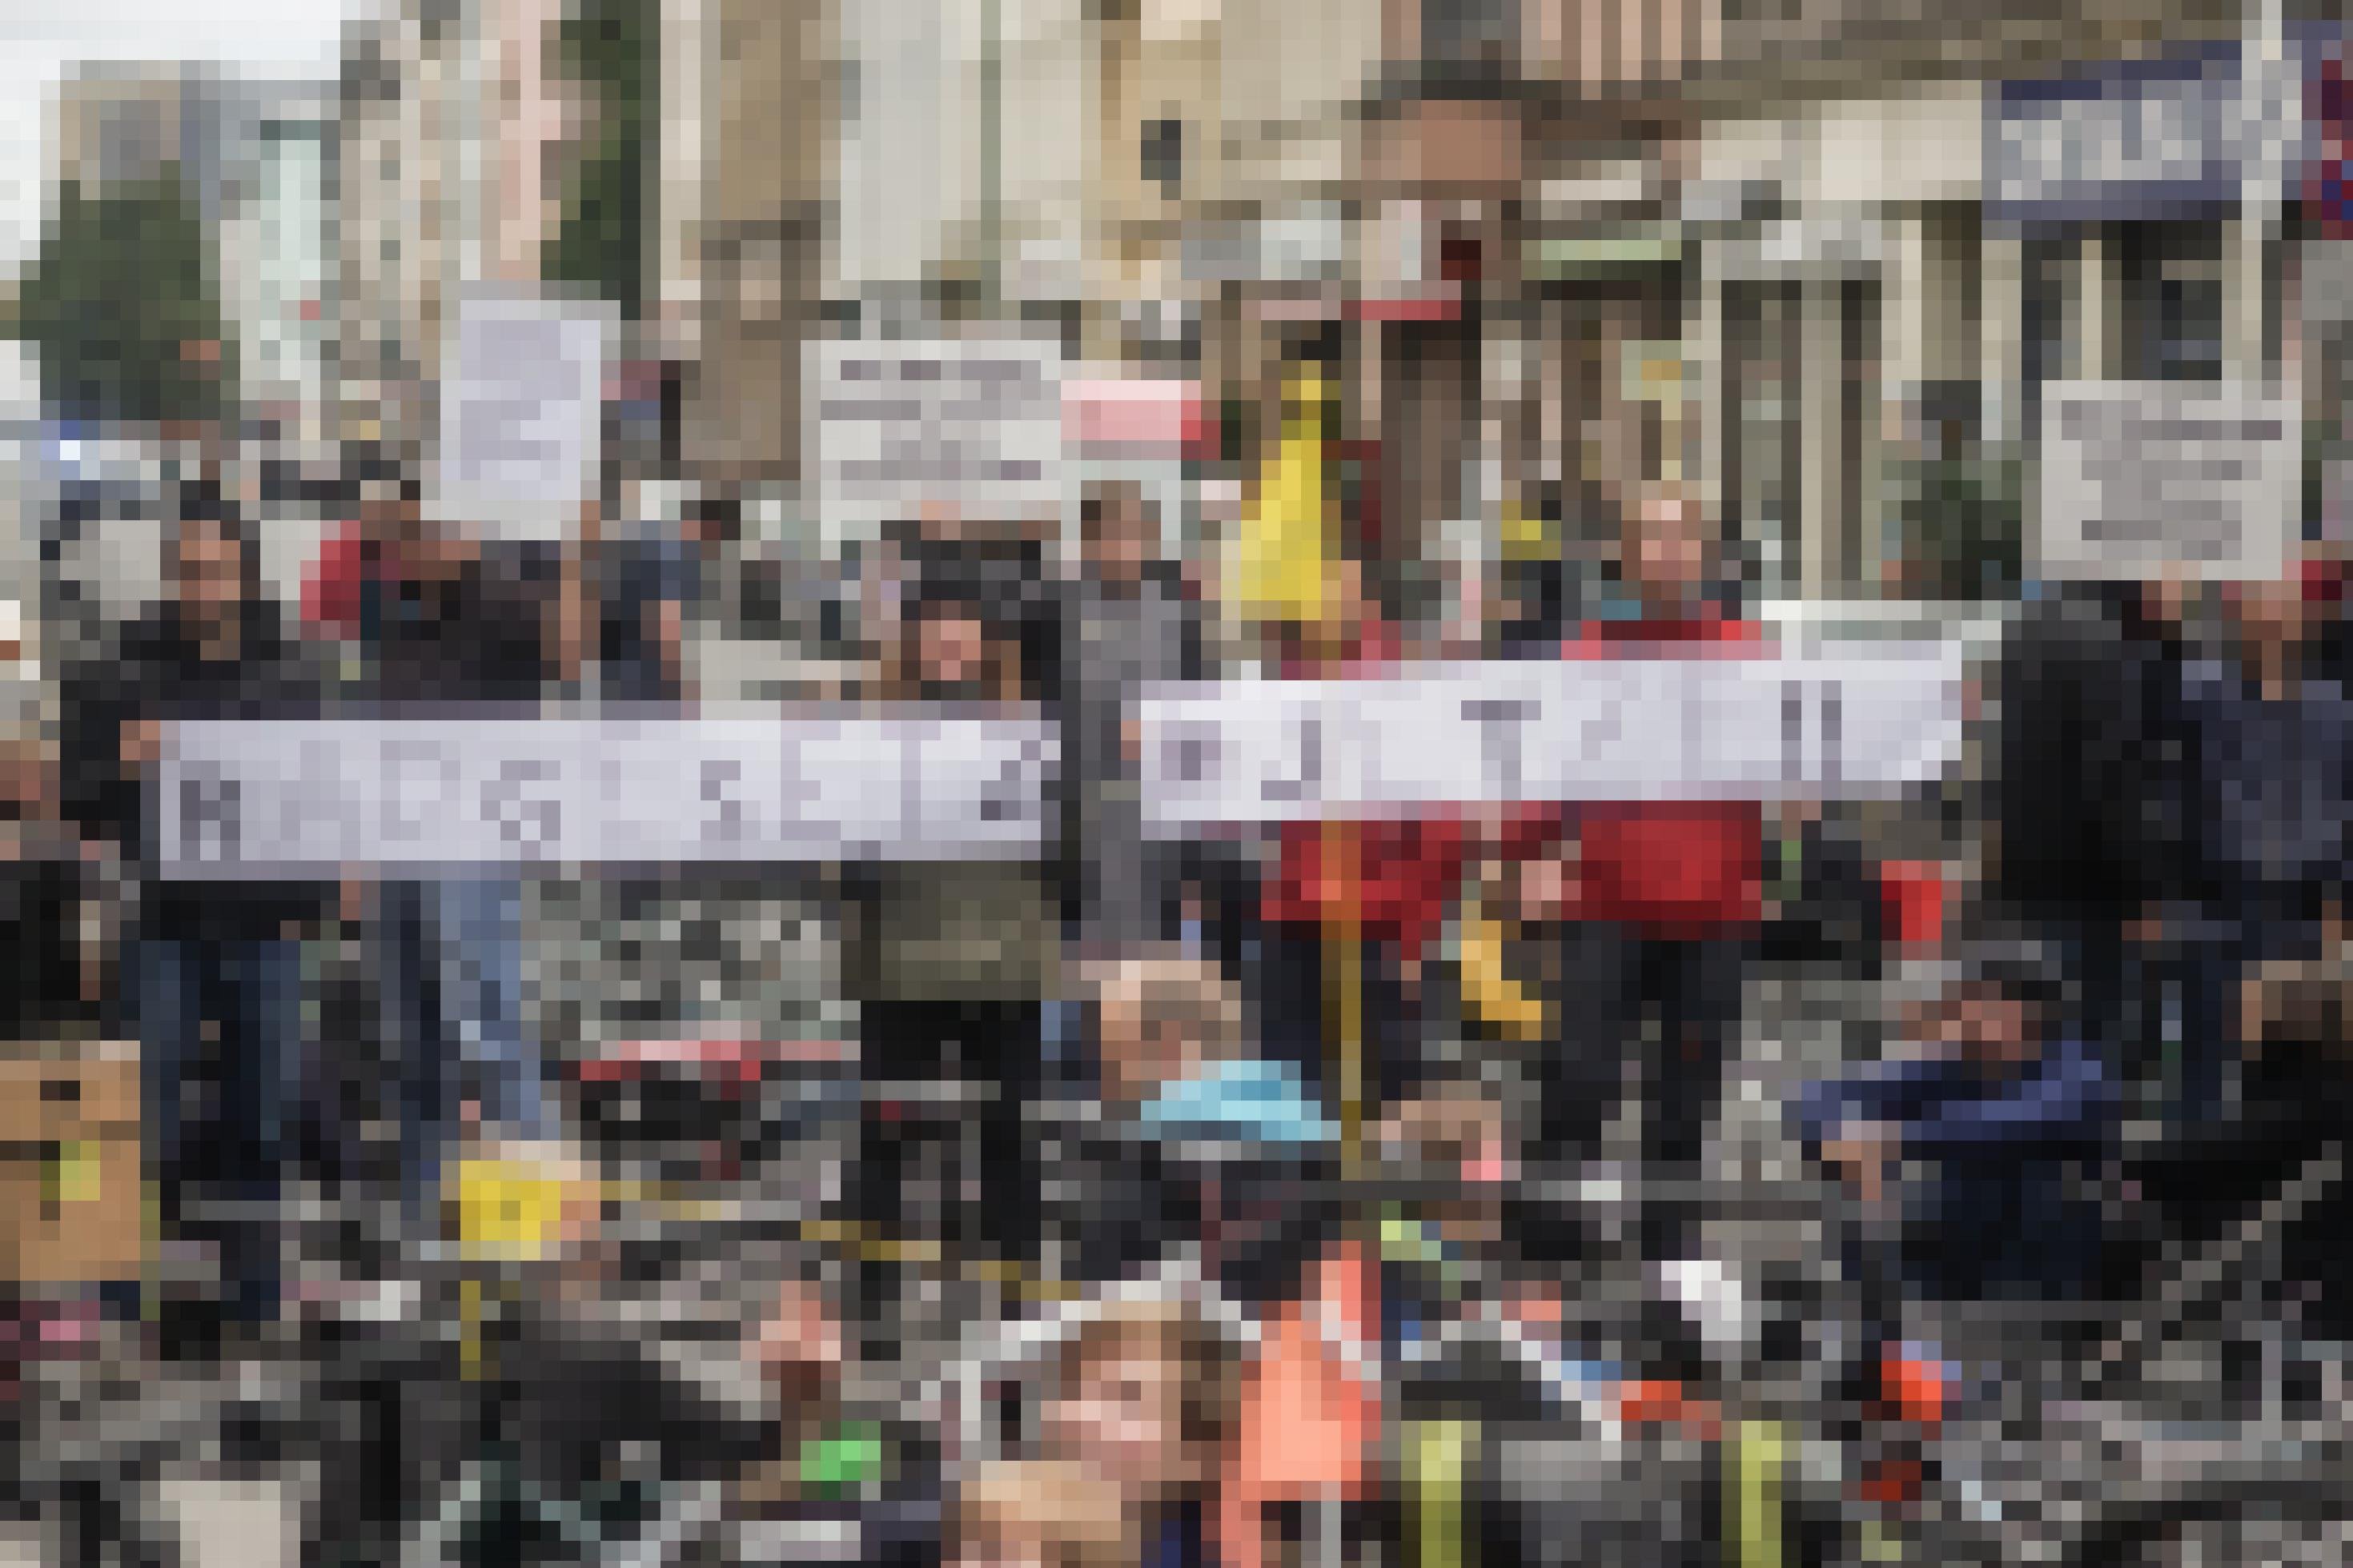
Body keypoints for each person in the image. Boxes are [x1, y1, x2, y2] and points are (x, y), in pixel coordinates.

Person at [61, 481, 329, 1351]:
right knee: (139, 1120)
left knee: (263, 1120)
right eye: (188, 571)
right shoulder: (122, 671)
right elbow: (79, 801)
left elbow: (327, 790)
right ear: (170, 575)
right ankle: (113, 1310)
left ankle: (256, 1308)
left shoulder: (291, 670)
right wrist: (122, 766)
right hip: (165, 928)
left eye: (216, 572)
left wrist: (328, 890)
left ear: (245, 576)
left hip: (267, 928)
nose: (201, 587)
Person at [1550, 481, 1763, 1263]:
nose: (1665, 553)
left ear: (1702, 553)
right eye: (1650, 537)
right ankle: (1558, 1244)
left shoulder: (1744, 652)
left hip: (1713, 908)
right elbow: (1552, 764)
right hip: (1606, 901)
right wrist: (1529, 853)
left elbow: (1791, 752)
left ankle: (1665, 1255)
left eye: (1679, 537)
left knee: (1686, 1095)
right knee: (1578, 1080)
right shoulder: (1587, 653)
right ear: (1626, 554)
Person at [355, 481, 564, 1214]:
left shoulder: (500, 604)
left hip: (470, 840)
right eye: (402, 532)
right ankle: (427, 1221)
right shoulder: (397, 614)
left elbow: (566, 653)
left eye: (420, 530)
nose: (407, 544)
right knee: (413, 1043)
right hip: (398, 843)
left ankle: (525, 1227)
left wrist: (580, 545)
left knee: (486, 1030)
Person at [846, 555, 1059, 1273]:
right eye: (933, 622)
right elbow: (849, 857)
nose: (948, 636)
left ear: (986, 638)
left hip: (1005, 968)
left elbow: (1062, 843)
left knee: (1009, 1144)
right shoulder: (873, 729)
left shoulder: (1028, 726)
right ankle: (871, 1302)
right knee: (886, 1141)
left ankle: (1015, 1298)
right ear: (910, 637)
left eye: (962, 622)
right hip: (902, 965)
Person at [1792, 943, 2115, 1301]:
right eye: (1968, 1004)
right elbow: (1818, 1097)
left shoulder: (2077, 1073)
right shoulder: (1959, 1065)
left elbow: (2002, 1127)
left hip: (2048, 1275)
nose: (1968, 1018)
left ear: (2029, 1012)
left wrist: (1893, 1138)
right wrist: (1843, 1134)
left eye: (1984, 1003)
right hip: (1958, 1262)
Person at [1060, 480, 1203, 956]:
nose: (1123, 547)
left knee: (1155, 987)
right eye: (1110, 534)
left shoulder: (1181, 617)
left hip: (1158, 839)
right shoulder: (1058, 615)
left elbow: (1205, 716)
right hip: (1084, 835)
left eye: (1134, 534)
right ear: (1088, 543)